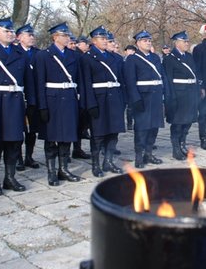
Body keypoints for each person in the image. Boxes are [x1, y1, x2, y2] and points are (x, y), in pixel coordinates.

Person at [0, 18, 35, 196]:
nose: (10, 34)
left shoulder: (21, 54)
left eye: (12, 31)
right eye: (6, 31)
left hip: (15, 102)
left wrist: (31, 103)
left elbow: (29, 82)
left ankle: (10, 178)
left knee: (14, 142)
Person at [35, 23, 81, 186]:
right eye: (64, 35)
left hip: (69, 99)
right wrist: (42, 106)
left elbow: (78, 80)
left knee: (66, 137)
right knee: (51, 139)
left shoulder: (73, 55)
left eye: (68, 35)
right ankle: (51, 172)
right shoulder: (43, 55)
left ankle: (63, 169)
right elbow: (39, 83)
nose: (67, 37)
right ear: (55, 37)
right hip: (52, 100)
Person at [80, 26, 125, 176]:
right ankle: (96, 164)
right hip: (98, 100)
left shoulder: (114, 57)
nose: (106, 41)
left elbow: (121, 80)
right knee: (98, 135)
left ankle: (108, 161)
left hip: (114, 99)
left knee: (113, 132)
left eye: (107, 38)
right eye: (102, 38)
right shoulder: (87, 58)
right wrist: (90, 104)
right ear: (93, 41)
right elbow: (86, 83)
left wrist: (122, 99)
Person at [124, 30, 166, 168]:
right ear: (137, 43)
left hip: (155, 97)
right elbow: (130, 81)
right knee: (142, 128)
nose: (148, 43)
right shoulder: (132, 59)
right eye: (144, 41)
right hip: (142, 97)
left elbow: (161, 76)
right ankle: (138, 156)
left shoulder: (155, 57)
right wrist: (135, 99)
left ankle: (149, 154)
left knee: (154, 127)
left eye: (149, 40)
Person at [163, 31, 200, 159]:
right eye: (184, 41)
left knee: (188, 122)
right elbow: (168, 80)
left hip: (191, 93)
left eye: (187, 41)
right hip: (178, 95)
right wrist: (170, 97)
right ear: (176, 43)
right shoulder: (169, 58)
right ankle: (176, 149)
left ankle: (183, 144)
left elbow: (195, 74)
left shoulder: (189, 57)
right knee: (178, 123)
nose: (187, 43)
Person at [14, 23, 41, 170]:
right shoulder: (15, 52)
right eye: (28, 35)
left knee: (32, 130)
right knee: (19, 129)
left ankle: (29, 156)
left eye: (32, 35)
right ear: (19, 37)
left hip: (33, 96)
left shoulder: (38, 53)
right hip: (18, 95)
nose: (32, 37)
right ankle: (18, 158)